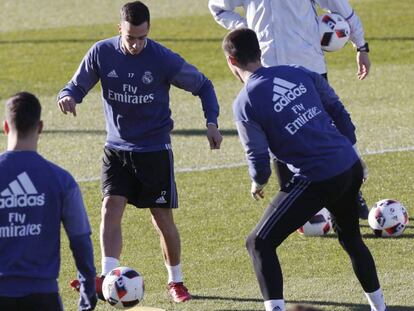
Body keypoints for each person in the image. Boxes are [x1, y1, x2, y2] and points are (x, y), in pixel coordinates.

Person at [57, 1, 222, 303]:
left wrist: (211, 122)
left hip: (154, 150)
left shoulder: (161, 58)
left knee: (161, 219)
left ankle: (176, 281)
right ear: (119, 28)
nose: (135, 45)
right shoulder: (101, 52)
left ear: (149, 32)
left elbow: (204, 85)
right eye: (130, 37)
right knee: (110, 208)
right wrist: (67, 96)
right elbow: (75, 86)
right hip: (116, 149)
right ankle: (108, 278)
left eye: (141, 38)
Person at [222, 28, 387, 311]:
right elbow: (338, 109)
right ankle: (379, 307)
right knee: (350, 238)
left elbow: (258, 156)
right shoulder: (297, 72)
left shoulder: (245, 102)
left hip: (318, 177)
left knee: (258, 243)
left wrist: (258, 181)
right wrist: (345, 147)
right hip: (348, 164)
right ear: (260, 52)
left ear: (231, 61)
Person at [208, 0, 371, 219]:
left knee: (327, 127)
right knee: (277, 134)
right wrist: (244, 27)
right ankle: (300, 205)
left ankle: (351, 193)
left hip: (307, 67)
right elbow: (218, 7)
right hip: (265, 69)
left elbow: (340, 7)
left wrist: (360, 45)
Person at [0, 92, 97, 311]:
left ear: (6, 126)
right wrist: (88, 287)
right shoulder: (61, 179)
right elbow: (80, 240)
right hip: (43, 297)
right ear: (40, 127)